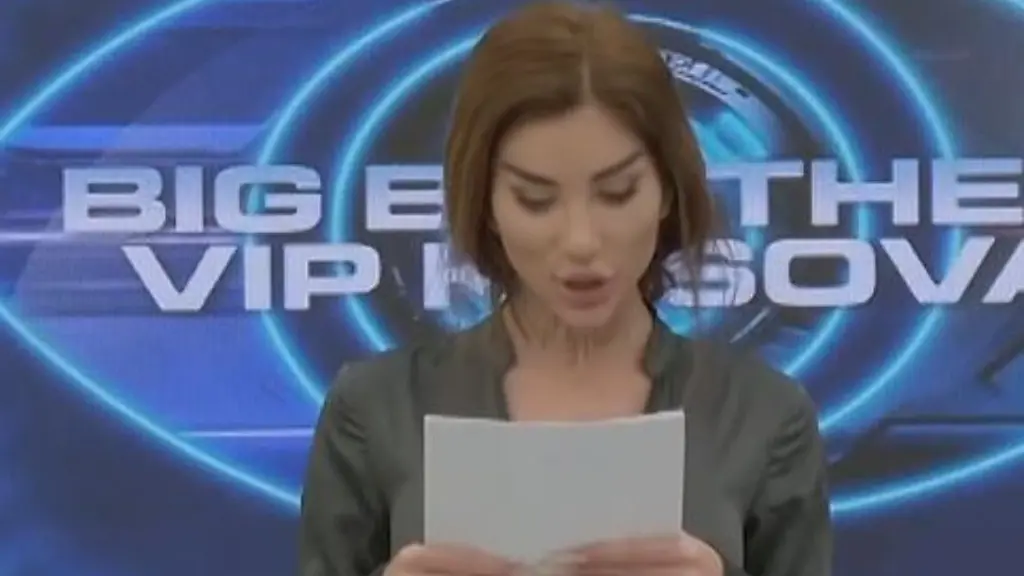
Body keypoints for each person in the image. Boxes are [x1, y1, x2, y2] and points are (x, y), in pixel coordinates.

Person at [299, 2, 832, 575]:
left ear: (667, 189)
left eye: (618, 193)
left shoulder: (764, 417)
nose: (580, 240)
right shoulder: (375, 410)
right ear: (487, 204)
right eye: (535, 200)